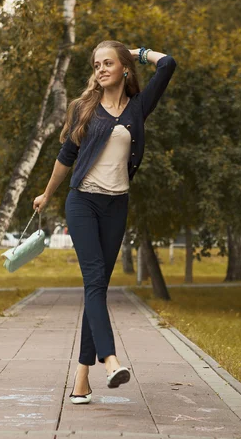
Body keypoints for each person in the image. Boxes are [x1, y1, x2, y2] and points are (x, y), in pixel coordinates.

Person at [33, 41, 177, 404]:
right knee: (95, 280)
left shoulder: (137, 108)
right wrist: (48, 194)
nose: (100, 69)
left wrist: (137, 51)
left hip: (116, 206)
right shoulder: (85, 108)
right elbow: (66, 155)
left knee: (95, 287)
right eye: (96, 64)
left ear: (123, 68)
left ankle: (81, 379)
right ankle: (110, 361)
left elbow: (169, 64)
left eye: (108, 62)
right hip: (82, 202)